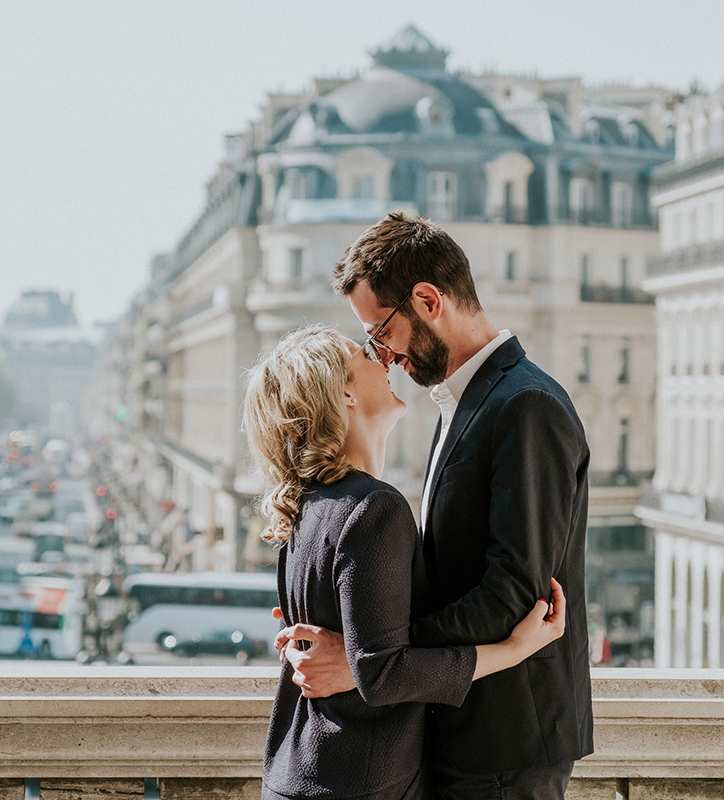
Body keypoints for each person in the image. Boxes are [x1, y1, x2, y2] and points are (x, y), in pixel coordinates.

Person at [275, 213, 593, 800]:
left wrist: (368, 659)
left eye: (380, 332)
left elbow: (515, 594)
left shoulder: (526, 406)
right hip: (460, 730)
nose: (385, 355)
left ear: (426, 300)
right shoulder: (462, 402)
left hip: (504, 740)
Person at [245, 326, 567, 800]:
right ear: (345, 392)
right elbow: (382, 673)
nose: (388, 361)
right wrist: (515, 650)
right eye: (367, 355)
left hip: (302, 772)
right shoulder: (374, 508)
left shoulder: (308, 506)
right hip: (360, 783)